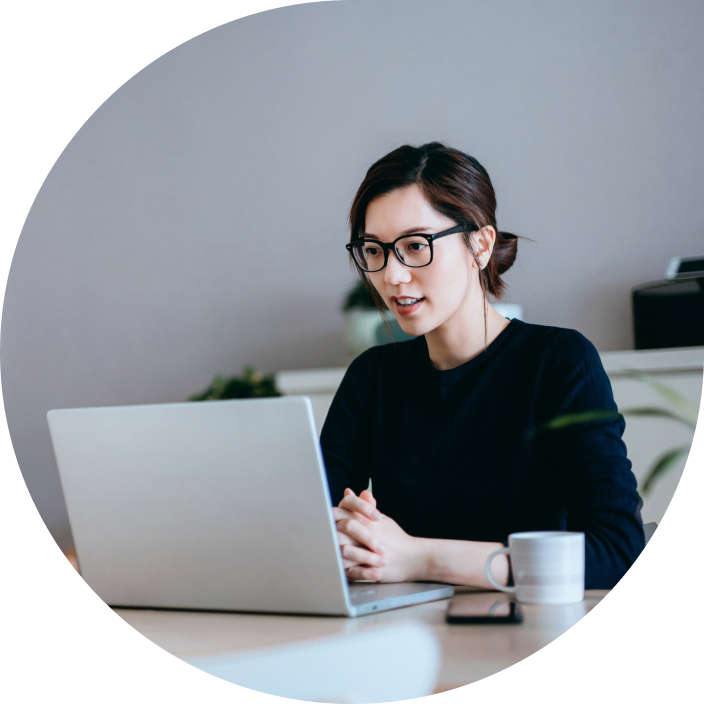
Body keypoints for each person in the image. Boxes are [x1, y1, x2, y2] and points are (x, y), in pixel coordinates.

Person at [320, 142, 645, 590]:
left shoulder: (559, 361)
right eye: (374, 250)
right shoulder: (372, 377)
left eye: (416, 246)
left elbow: (617, 551)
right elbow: (315, 531)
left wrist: (420, 558)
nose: (391, 275)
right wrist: (345, 533)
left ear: (481, 245)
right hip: (401, 633)